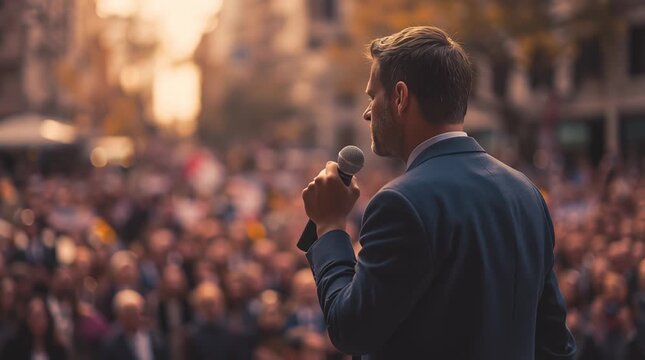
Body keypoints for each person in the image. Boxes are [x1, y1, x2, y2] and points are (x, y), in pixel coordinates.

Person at [300, 26, 577, 359]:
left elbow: (351, 330)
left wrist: (330, 227)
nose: (367, 111)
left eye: (373, 95)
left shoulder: (400, 203)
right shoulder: (526, 193)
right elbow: (555, 344)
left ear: (400, 98)